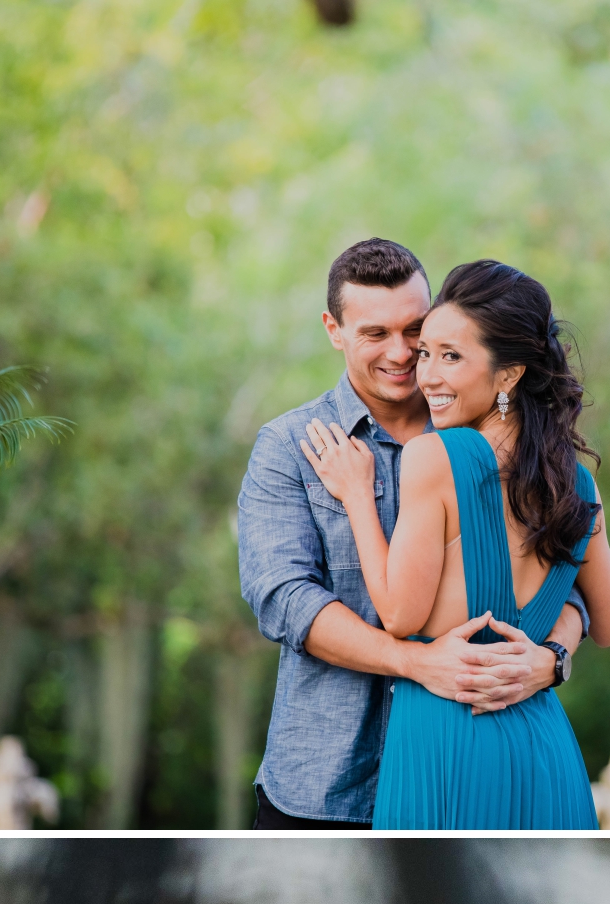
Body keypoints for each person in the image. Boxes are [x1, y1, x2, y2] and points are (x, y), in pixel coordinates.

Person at [236, 238, 591, 829]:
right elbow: (285, 599)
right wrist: (416, 662)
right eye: (376, 334)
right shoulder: (290, 447)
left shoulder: (490, 435)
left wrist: (553, 659)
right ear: (335, 329)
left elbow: (566, 576)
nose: (403, 354)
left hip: (463, 769)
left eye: (416, 332)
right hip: (328, 782)